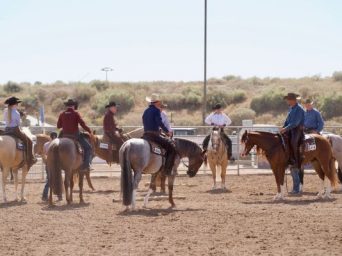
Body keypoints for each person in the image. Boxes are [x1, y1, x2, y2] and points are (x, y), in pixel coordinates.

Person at [142, 93, 176, 175]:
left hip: (146, 135)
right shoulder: (156, 110)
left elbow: (144, 121)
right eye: (159, 103)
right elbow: (159, 122)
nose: (160, 104)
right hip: (154, 136)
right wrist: (167, 131)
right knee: (172, 148)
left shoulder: (146, 111)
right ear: (156, 103)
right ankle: (167, 170)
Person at [57, 99, 93, 173]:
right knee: (88, 148)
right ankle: (86, 166)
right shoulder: (76, 113)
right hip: (75, 136)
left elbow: (58, 126)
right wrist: (90, 131)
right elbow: (83, 124)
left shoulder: (62, 114)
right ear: (73, 106)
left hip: (64, 136)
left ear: (67, 106)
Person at [280, 93, 305, 194]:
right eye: (288, 100)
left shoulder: (299, 109)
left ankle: (294, 159)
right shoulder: (291, 108)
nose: (288, 101)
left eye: (290, 100)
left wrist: (285, 128)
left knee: (293, 141)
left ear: (294, 100)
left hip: (297, 130)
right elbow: (287, 121)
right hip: (290, 129)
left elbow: (295, 123)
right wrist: (283, 127)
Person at [3, 96, 37, 166]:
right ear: (14, 104)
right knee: (29, 141)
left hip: (6, 130)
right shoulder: (16, 113)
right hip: (15, 130)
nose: (17, 105)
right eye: (17, 104)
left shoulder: (5, 111)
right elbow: (18, 124)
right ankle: (30, 158)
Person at [42, 132, 59, 201]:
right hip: (56, 164)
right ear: (56, 137)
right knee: (57, 180)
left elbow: (44, 154)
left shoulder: (46, 144)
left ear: (50, 137)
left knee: (49, 180)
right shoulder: (58, 144)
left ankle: (45, 195)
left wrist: (45, 161)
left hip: (48, 164)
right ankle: (59, 195)